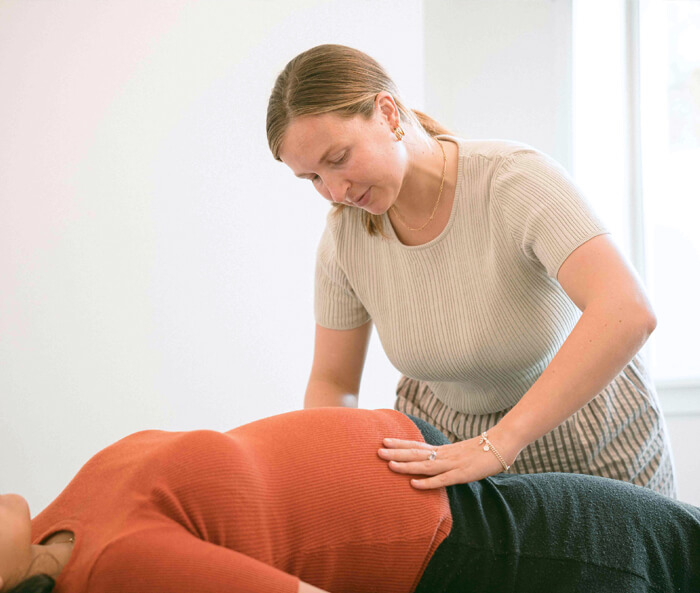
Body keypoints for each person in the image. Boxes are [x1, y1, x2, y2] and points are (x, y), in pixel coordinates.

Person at [266, 43, 676, 495]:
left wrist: (500, 442)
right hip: (452, 451)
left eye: (338, 158)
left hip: (590, 440)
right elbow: (333, 381)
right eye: (313, 179)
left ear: (387, 113)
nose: (335, 190)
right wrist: (328, 467)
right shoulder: (344, 240)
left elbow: (628, 309)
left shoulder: (513, 181)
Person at [1, 408, 698, 593]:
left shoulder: (58, 517)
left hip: (438, 483)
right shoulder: (120, 568)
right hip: (457, 549)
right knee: (665, 552)